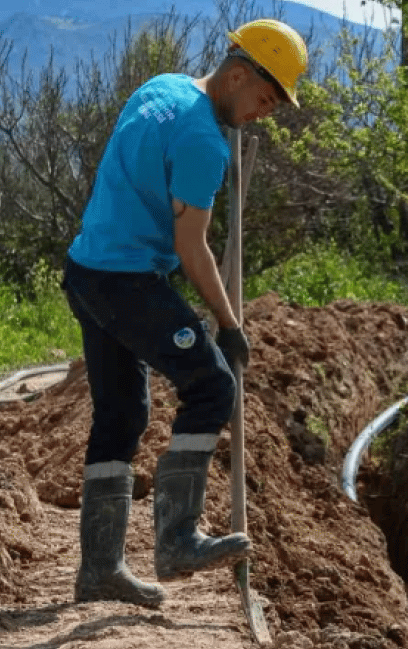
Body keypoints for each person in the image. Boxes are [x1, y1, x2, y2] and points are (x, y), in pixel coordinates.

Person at [59, 19, 308, 608]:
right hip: (125, 279)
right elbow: (193, 247)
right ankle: (176, 540)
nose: (264, 114)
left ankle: (100, 571)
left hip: (87, 268)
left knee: (122, 414)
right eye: (265, 99)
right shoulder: (203, 142)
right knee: (211, 386)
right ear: (240, 75)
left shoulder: (163, 87)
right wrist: (228, 324)